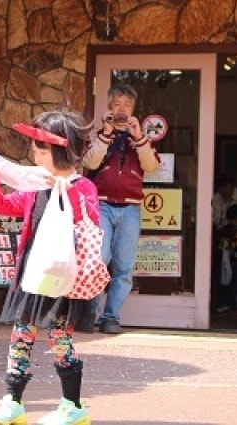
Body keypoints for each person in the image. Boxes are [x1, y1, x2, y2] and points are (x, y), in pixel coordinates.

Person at [0, 109, 98, 425]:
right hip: (32, 274)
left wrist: (64, 190)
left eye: (40, 147)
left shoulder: (82, 187)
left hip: (63, 277)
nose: (34, 153)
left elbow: (89, 224)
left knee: (59, 336)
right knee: (21, 334)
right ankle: (12, 400)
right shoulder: (34, 187)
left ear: (59, 150)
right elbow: (1, 205)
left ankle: (72, 406)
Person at [82, 83, 161, 334]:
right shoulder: (99, 135)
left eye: (127, 105)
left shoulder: (141, 138)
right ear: (109, 107)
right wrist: (105, 133)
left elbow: (151, 166)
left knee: (124, 267)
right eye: (117, 104)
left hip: (131, 208)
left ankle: (110, 317)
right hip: (102, 205)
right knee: (99, 259)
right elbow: (90, 161)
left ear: (134, 108)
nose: (122, 109)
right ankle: (88, 313)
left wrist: (138, 137)